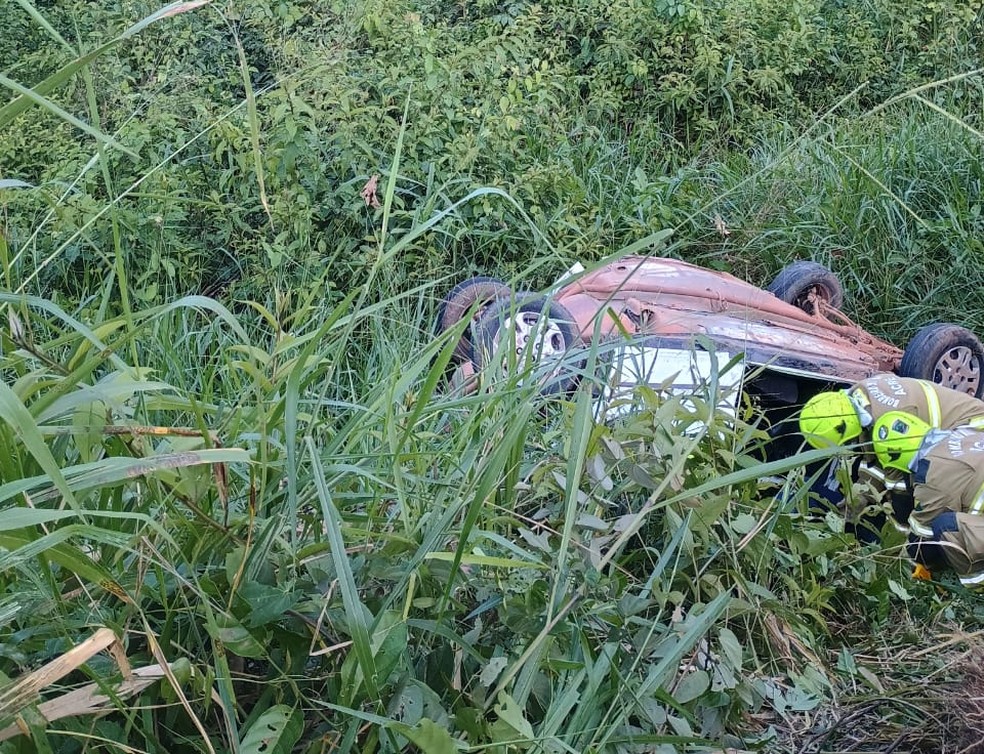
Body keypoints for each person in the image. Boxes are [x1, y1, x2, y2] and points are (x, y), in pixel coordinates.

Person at [798, 374, 984, 529]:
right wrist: (857, 499)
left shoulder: (890, 427)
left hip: (972, 432)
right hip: (956, 425)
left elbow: (900, 487)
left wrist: (898, 538)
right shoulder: (857, 400)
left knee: (940, 488)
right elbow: (874, 461)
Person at [870, 410, 984, 588]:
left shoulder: (931, 475)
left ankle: (976, 592)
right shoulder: (963, 432)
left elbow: (922, 543)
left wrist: (900, 568)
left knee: (945, 526)